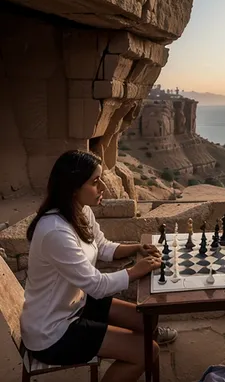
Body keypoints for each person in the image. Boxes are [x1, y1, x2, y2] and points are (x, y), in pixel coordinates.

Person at [20, 150, 178, 382]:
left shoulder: (79, 211)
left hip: (74, 305)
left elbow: (103, 247)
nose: (103, 186)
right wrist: (136, 271)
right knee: (148, 351)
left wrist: (136, 248)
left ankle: (138, 340)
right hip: (52, 331)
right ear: (73, 187)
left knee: (146, 318)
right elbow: (96, 285)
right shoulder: (55, 231)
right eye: (95, 182)